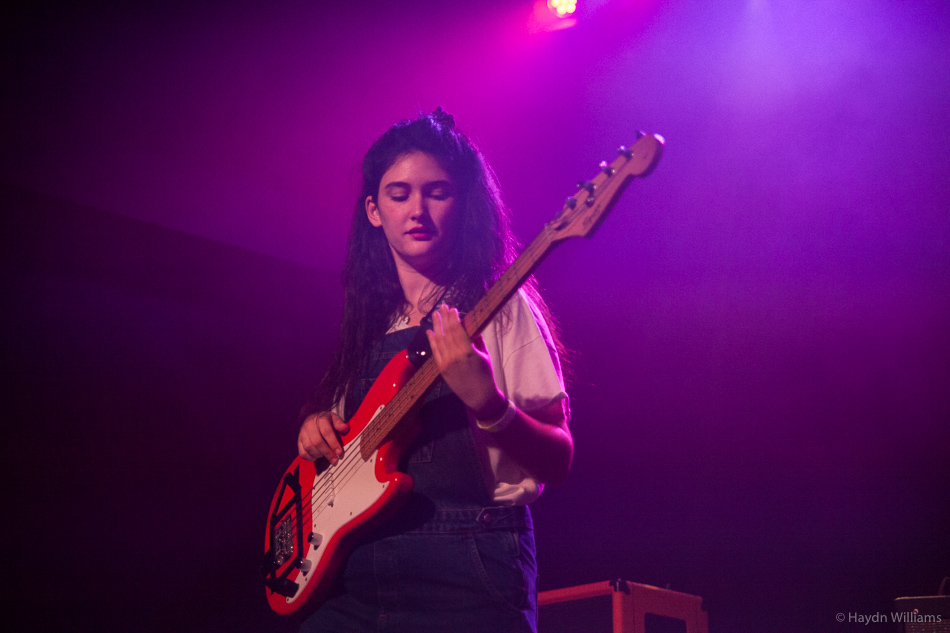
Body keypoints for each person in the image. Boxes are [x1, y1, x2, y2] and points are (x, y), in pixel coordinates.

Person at [296, 108, 572, 633]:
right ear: (374, 211)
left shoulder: (502, 308)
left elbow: (558, 458)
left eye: (437, 192)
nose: (417, 210)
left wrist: (489, 404)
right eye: (399, 195)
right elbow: (336, 447)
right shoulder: (367, 325)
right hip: (359, 575)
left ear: (461, 203)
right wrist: (313, 429)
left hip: (468, 575)